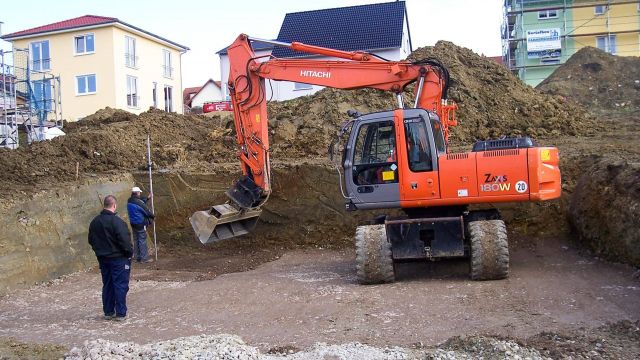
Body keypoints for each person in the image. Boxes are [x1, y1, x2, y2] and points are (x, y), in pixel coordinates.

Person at [88, 195, 132, 321]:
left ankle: (108, 311)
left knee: (107, 284)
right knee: (120, 285)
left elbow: (91, 240)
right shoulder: (117, 222)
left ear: (104, 205)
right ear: (114, 205)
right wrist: (129, 253)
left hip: (103, 258)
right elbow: (125, 241)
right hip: (118, 258)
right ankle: (120, 313)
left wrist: (99, 252)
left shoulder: (95, 222)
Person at [127, 186, 155, 263]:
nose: (140, 194)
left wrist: (148, 198)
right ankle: (144, 258)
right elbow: (145, 210)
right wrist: (153, 216)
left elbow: (140, 203)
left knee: (136, 240)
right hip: (140, 224)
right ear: (137, 193)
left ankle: (136, 257)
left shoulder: (130, 200)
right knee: (142, 240)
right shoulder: (138, 202)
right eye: (139, 192)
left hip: (133, 224)